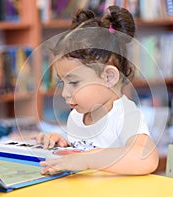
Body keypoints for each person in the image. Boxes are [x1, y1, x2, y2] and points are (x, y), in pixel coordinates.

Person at [33, 5, 159, 175]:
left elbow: (146, 158)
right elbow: (85, 157)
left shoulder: (126, 115)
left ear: (109, 77)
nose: (64, 93)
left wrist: (86, 160)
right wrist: (64, 147)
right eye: (63, 83)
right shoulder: (77, 116)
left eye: (74, 83)